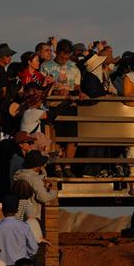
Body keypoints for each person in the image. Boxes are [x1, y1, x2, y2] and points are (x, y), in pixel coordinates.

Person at [41, 39, 83, 177]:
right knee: (56, 137)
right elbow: (42, 88)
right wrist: (55, 90)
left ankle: (67, 165)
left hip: (70, 105)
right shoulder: (46, 67)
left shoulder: (74, 67)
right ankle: (57, 166)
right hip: (53, 107)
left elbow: (77, 87)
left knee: (72, 137)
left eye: (67, 57)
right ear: (57, 52)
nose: (64, 59)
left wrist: (76, 92)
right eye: (62, 56)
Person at [0, 195, 38, 266]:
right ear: (17, 210)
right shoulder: (24, 227)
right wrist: (26, 256)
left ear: (2, 209)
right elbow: (34, 248)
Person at [12, 151, 57, 215]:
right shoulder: (35, 179)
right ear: (38, 165)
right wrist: (53, 192)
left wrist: (43, 173)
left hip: (17, 213)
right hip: (31, 214)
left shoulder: (18, 175)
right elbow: (43, 198)